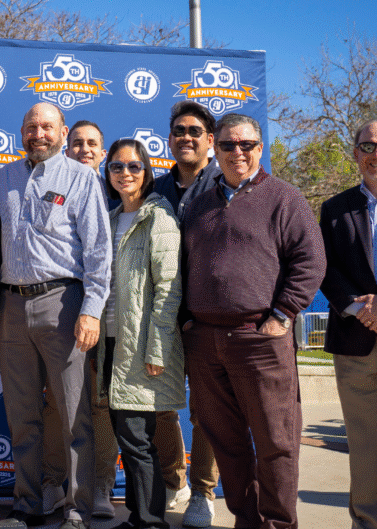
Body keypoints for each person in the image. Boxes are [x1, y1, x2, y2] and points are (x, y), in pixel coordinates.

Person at [180, 113, 325, 529]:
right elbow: (184, 265)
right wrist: (189, 320)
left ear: (260, 149)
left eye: (246, 145)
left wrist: (281, 316)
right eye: (228, 145)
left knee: (277, 444)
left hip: (260, 339)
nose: (237, 152)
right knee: (226, 444)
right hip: (205, 343)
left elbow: (310, 261)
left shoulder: (284, 197)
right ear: (215, 149)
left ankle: (279, 523)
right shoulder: (199, 201)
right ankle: (247, 520)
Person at [0, 103, 110, 529]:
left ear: (63, 132)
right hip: (12, 306)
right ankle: (26, 503)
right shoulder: (6, 176)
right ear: (21, 131)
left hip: (63, 303)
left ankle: (76, 506)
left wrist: (92, 310)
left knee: (72, 412)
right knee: (22, 413)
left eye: (47, 126)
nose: (38, 133)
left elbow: (99, 250)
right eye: (31, 127)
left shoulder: (81, 178)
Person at [95, 139, 184, 529]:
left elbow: (169, 289)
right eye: (117, 167)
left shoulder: (158, 218)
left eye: (134, 167)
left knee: (136, 439)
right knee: (126, 437)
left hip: (141, 343)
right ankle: (137, 515)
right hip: (110, 342)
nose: (125, 174)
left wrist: (157, 348)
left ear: (147, 172)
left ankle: (151, 520)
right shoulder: (112, 218)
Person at [41, 120, 118, 519]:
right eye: (77, 143)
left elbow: (102, 253)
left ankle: (99, 485)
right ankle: (57, 484)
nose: (85, 149)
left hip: (109, 316)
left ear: (102, 153)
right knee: (62, 402)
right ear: (66, 148)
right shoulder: (62, 186)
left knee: (99, 405)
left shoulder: (123, 193)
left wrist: (92, 310)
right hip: (75, 310)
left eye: (93, 144)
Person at [151, 101, 220, 528]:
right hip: (161, 319)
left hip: (208, 319)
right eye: (179, 131)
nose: (186, 138)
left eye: (195, 131)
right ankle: (173, 480)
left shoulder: (224, 185)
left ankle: (204, 492)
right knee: (159, 407)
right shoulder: (155, 188)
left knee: (206, 410)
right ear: (170, 139)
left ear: (210, 140)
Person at [319, 118, 377, 529]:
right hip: (357, 341)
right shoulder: (335, 209)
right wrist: (360, 308)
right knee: (365, 446)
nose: (375, 154)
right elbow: (324, 267)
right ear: (356, 154)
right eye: (368, 146)